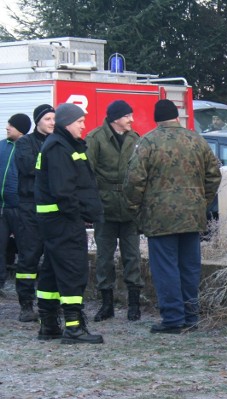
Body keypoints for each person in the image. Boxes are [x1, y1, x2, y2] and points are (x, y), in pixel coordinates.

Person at [124, 99, 221, 334]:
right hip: (192, 217)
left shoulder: (147, 141)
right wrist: (201, 202)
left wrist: (135, 209)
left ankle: (173, 319)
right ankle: (191, 316)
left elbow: (134, 181)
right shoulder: (196, 139)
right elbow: (214, 175)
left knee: (165, 268)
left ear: (157, 119)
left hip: (160, 218)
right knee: (189, 267)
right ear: (177, 117)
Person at [35, 103, 104, 344]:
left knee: (52, 271)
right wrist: (79, 213)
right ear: (67, 123)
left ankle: (49, 324)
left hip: (56, 220)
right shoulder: (58, 147)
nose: (84, 125)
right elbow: (63, 190)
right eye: (79, 122)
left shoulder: (61, 144)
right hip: (63, 219)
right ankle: (74, 328)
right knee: (73, 269)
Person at [86, 100, 144, 322]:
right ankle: (106, 305)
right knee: (104, 258)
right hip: (104, 207)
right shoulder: (95, 138)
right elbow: (87, 173)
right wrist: (91, 206)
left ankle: (134, 305)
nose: (131, 119)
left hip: (129, 208)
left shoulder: (135, 138)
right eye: (127, 116)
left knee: (132, 257)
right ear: (116, 118)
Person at [15, 105, 54, 327]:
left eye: (54, 119)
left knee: (52, 257)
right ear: (37, 121)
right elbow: (30, 167)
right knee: (29, 258)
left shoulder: (57, 141)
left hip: (51, 207)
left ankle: (50, 303)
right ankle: (26, 305)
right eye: (47, 118)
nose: (52, 122)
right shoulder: (24, 143)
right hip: (29, 207)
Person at [2, 113, 32, 319]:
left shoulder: (28, 147)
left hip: (21, 209)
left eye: (10, 125)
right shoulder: (2, 146)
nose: (7, 128)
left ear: (20, 128)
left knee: (25, 251)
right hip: (2, 208)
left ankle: (27, 295)